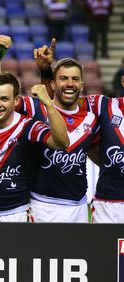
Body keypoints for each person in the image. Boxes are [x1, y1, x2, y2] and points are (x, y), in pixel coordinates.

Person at [0, 67, 69, 220]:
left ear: (16, 100)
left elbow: (62, 142)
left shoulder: (28, 127)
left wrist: (49, 105)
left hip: (17, 213)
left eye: (4, 99)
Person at [16, 58, 99, 222]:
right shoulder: (35, 108)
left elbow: (95, 153)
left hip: (78, 207)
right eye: (64, 78)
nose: (70, 83)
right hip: (41, 206)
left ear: (82, 84)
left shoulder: (92, 119)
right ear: (53, 84)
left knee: (79, 249)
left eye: (75, 79)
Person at [91, 90, 124, 222]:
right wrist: (46, 75)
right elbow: (62, 103)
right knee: (102, 243)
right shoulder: (103, 105)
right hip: (108, 204)